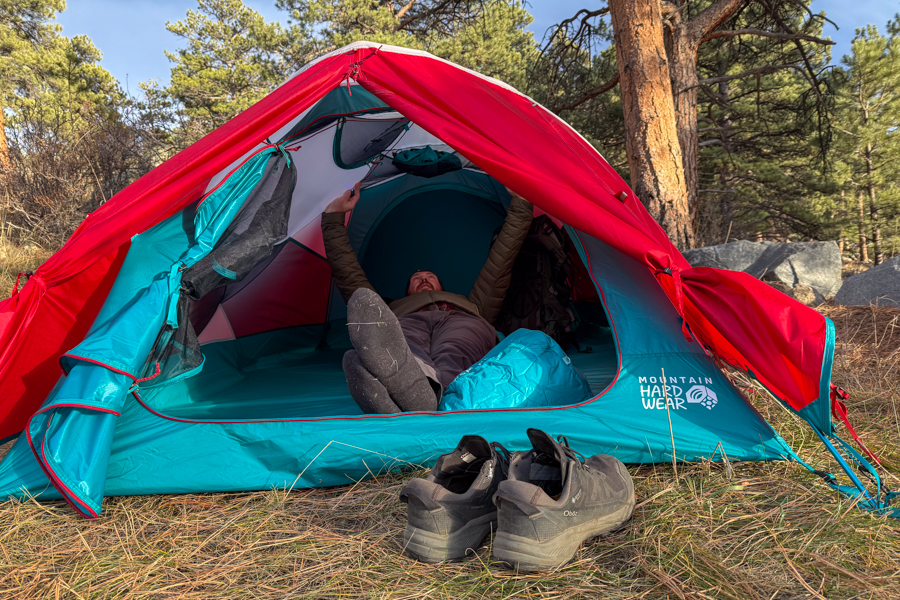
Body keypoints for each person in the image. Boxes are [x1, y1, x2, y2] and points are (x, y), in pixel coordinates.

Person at [321, 180, 533, 413]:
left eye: (430, 276)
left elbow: (501, 261)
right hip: (406, 321)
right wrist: (333, 217)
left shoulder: (473, 304)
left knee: (456, 347)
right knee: (404, 344)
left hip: (462, 320)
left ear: (442, 286)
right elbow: (348, 275)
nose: (423, 279)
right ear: (406, 292)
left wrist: (521, 204)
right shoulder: (392, 309)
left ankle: (413, 397)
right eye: (416, 278)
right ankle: (421, 392)